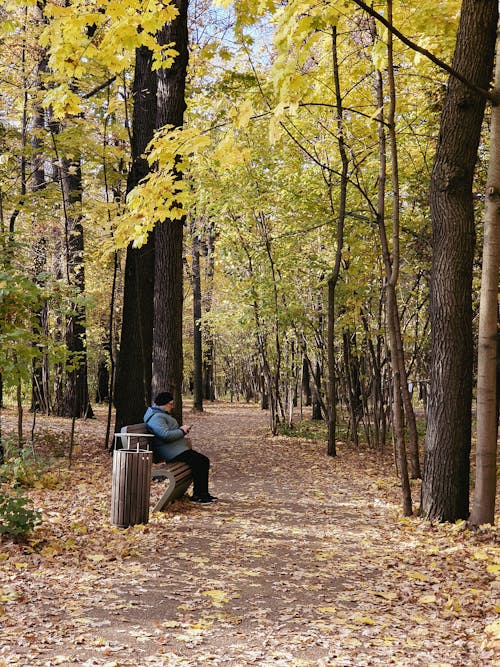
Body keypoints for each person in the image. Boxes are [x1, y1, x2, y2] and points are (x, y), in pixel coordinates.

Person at [144, 391, 217, 504]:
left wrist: (182, 430)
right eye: (171, 404)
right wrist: (182, 431)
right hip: (171, 452)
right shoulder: (156, 417)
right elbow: (165, 435)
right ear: (164, 403)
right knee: (201, 461)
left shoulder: (161, 415)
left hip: (177, 450)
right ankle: (199, 495)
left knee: (201, 461)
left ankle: (202, 494)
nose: (172, 406)